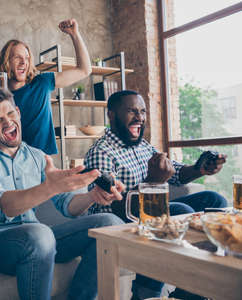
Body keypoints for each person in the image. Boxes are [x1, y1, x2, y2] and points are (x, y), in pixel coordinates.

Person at [0, 86, 125, 300]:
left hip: (40, 239)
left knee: (109, 223)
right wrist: (52, 186)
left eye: (10, 114)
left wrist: (91, 196)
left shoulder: (38, 157)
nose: (7, 122)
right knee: (40, 234)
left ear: (19, 113)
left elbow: (68, 207)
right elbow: (6, 206)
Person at [83, 90, 227, 300]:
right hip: (122, 223)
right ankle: (144, 294)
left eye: (142, 111)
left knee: (215, 201)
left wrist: (199, 169)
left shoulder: (142, 145)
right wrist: (152, 183)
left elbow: (176, 172)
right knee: (178, 212)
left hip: (152, 213)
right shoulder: (101, 152)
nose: (140, 117)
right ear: (112, 115)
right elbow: (109, 209)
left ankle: (191, 292)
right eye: (132, 111)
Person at [0, 18, 92, 155]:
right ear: (6, 62)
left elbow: (84, 70)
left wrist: (75, 34)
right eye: (17, 58)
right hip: (13, 163)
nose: (23, 63)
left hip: (43, 162)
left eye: (26, 58)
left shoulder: (41, 83)